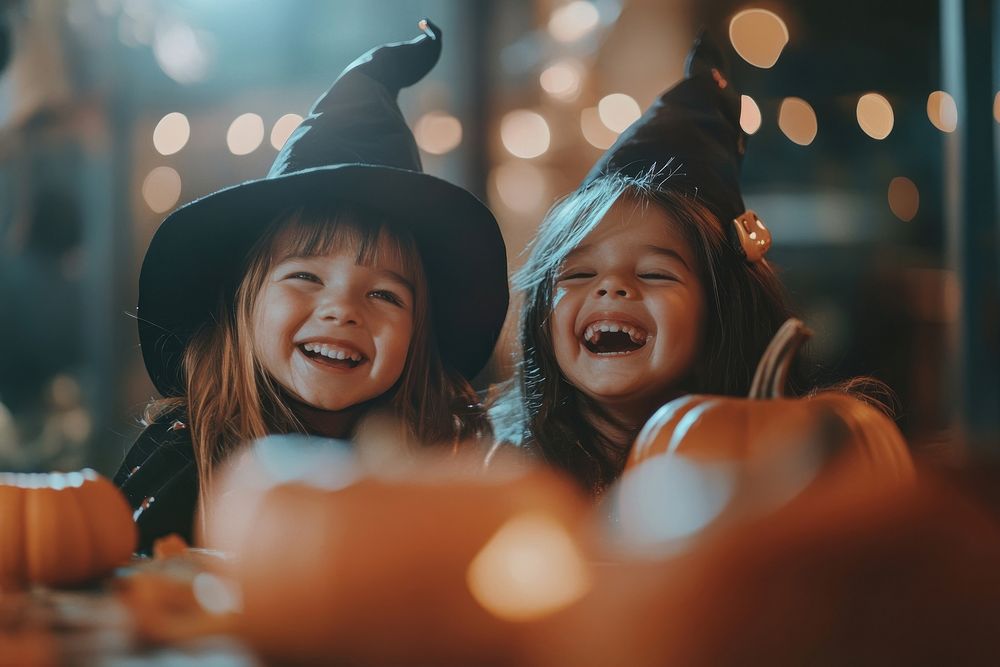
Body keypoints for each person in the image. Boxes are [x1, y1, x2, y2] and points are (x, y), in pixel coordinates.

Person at [113, 20, 508, 553]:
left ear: (420, 331)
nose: (343, 310)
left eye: (384, 295)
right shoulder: (187, 450)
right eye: (306, 277)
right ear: (242, 301)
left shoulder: (449, 459)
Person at [490, 33, 903, 494]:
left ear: (723, 304)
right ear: (542, 316)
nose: (611, 288)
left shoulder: (792, 458)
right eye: (579, 274)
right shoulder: (499, 467)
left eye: (653, 273)